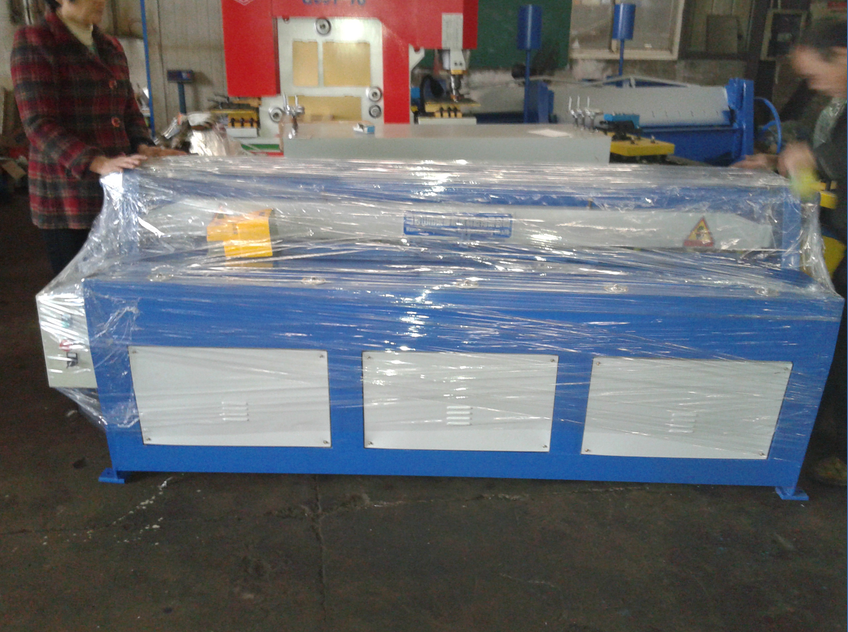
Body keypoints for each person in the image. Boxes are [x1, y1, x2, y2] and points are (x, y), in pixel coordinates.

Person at [736, 18, 847, 485]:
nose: (813, 86)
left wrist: (814, 159)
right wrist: (775, 162)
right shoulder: (838, 103)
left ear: (842, 55)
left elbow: (833, 159)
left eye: (815, 74)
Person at [10, 0, 180, 276]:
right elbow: (38, 123)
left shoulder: (110, 46)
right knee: (79, 287)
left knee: (122, 281)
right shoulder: (36, 41)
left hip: (117, 191)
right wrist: (97, 162)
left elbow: (128, 109)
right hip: (68, 196)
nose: (102, 2)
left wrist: (143, 146)